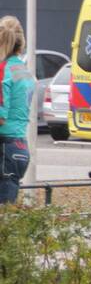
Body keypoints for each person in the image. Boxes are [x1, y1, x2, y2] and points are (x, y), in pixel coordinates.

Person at [0, 16, 34, 204]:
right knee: (7, 219)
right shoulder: (23, 70)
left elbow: (1, 116)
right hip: (19, 145)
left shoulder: (2, 69)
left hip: (3, 146)